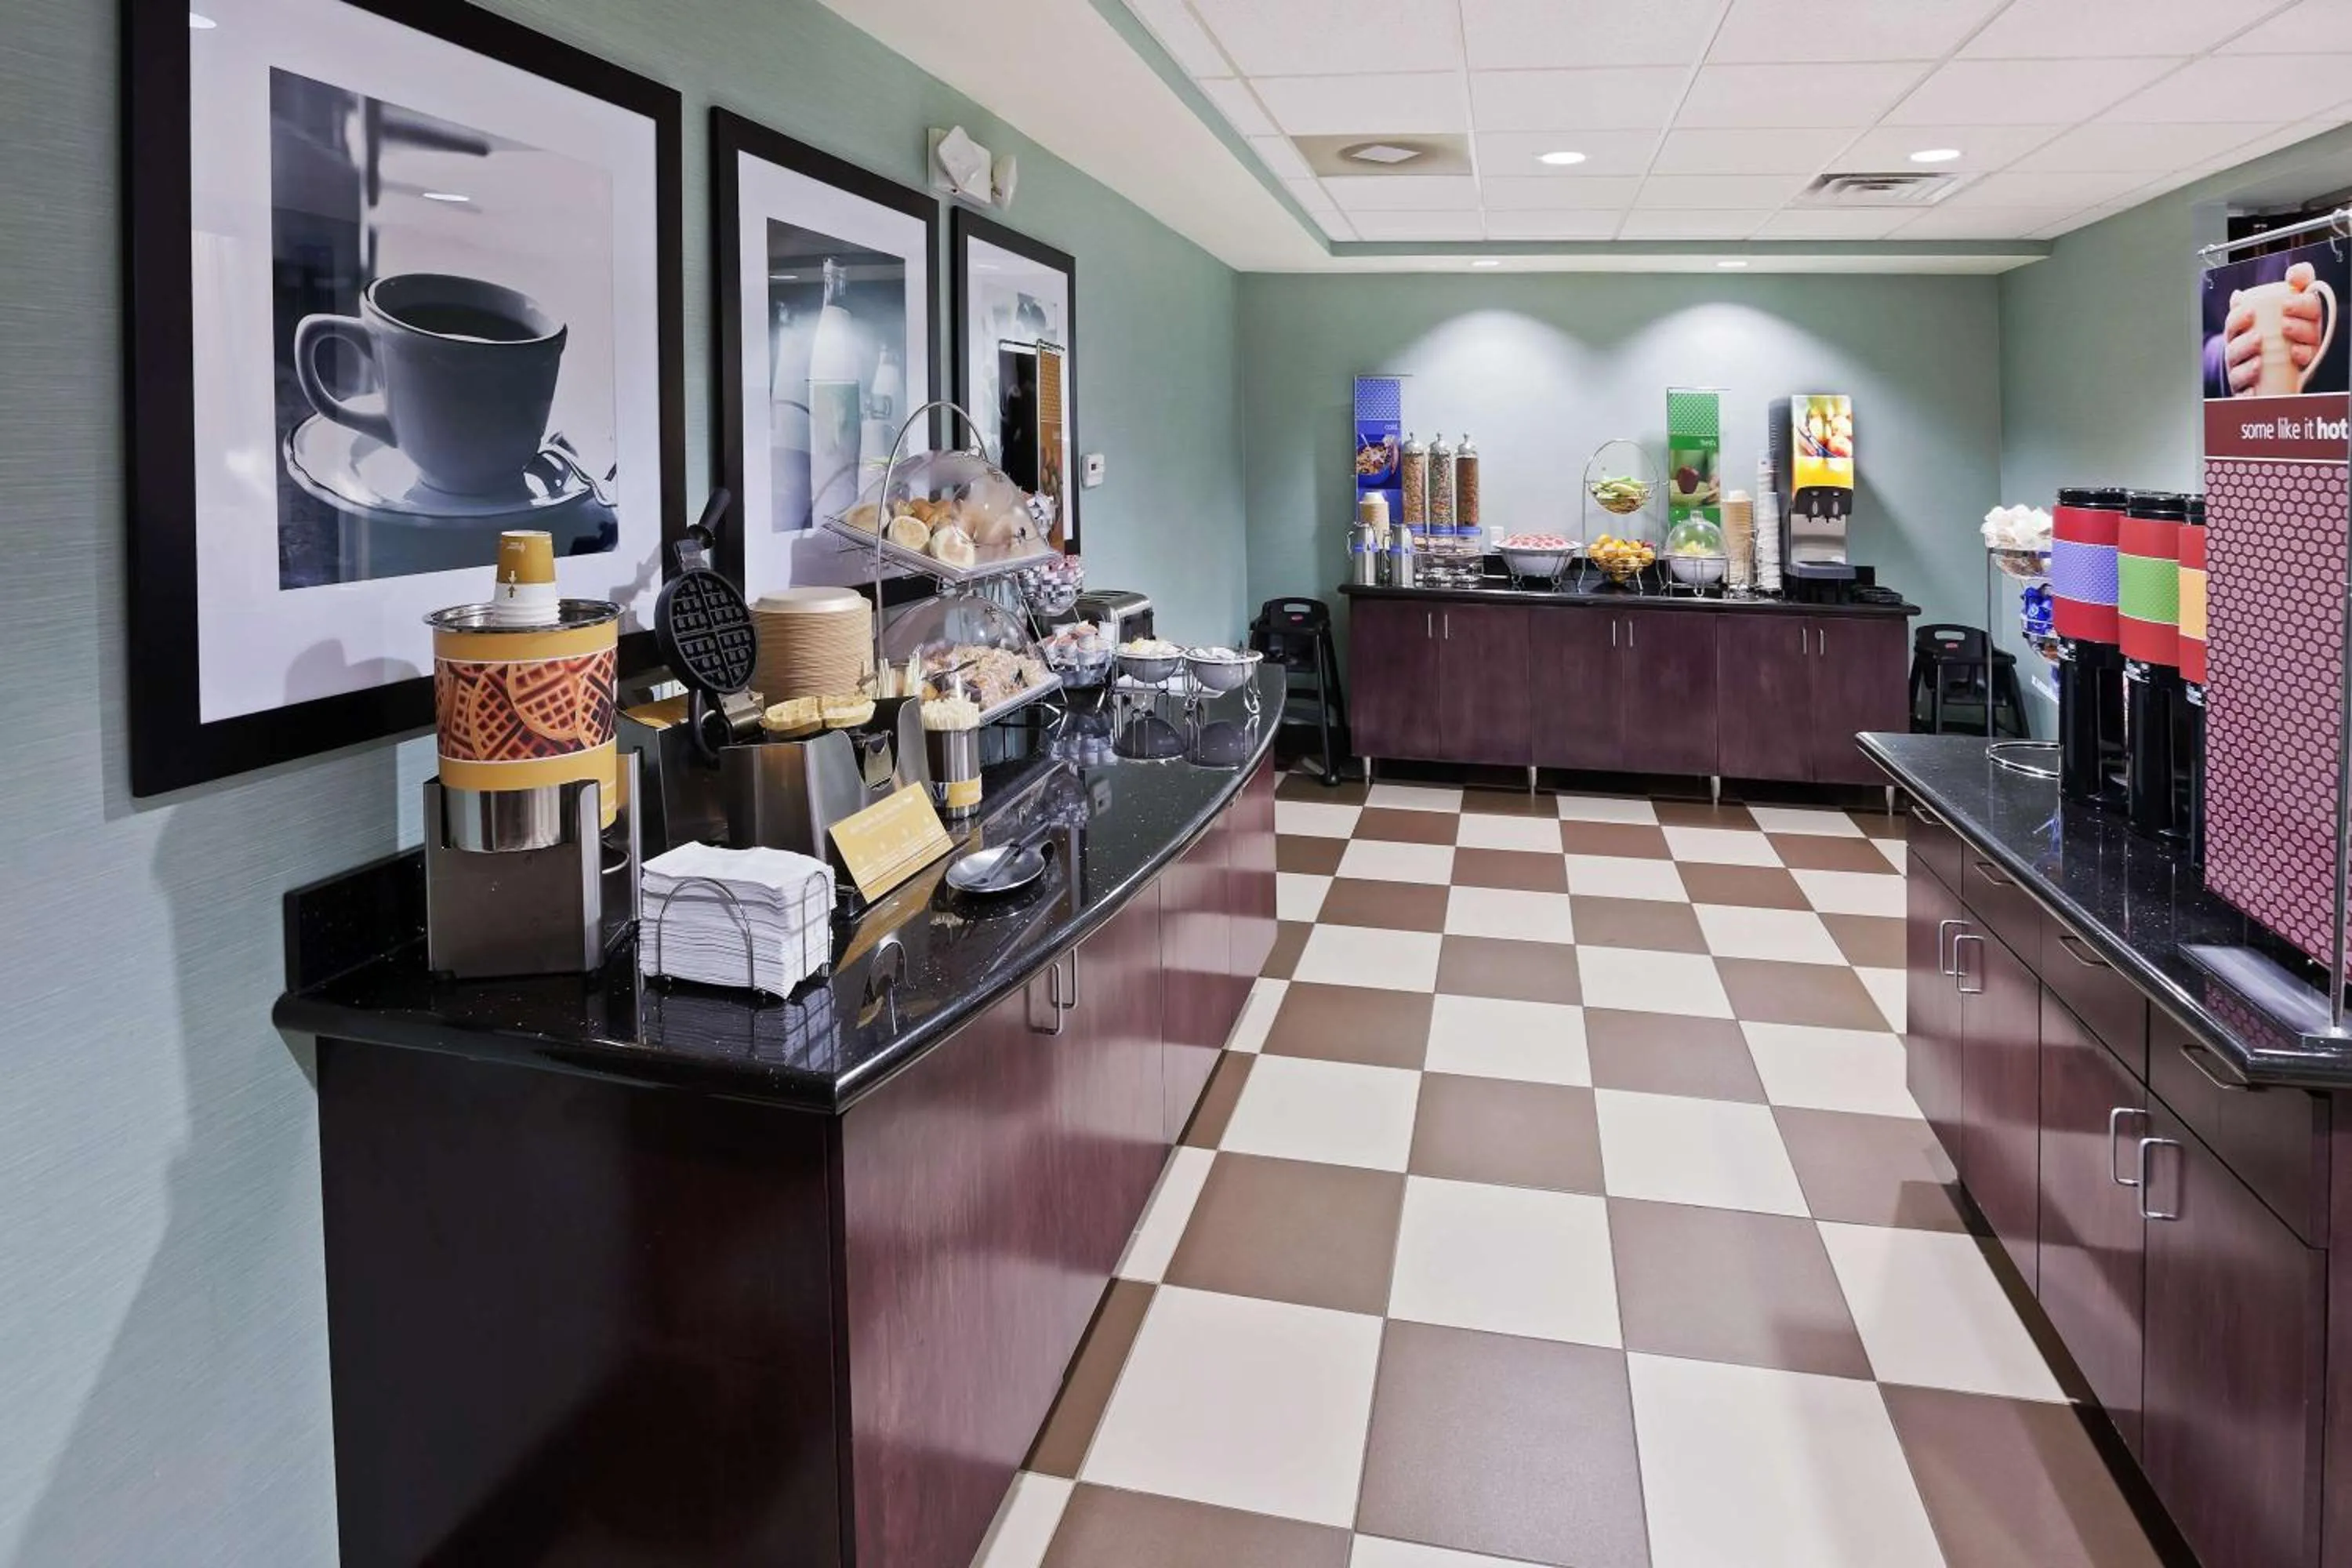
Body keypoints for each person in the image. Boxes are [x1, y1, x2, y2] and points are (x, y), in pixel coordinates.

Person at [2205, 258, 2329, 397]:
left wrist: (2330, 332)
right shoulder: (2209, 257)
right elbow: (2191, 345)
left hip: (2333, 407)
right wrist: (2229, 356)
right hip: (2242, 411)